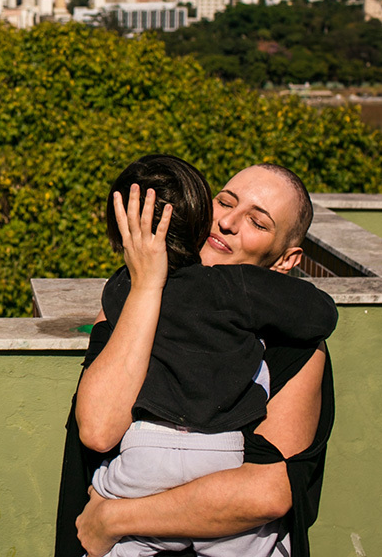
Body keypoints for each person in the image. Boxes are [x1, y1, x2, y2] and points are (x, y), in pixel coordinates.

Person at [53, 163, 334, 557]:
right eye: (224, 202)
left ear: (286, 261)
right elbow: (99, 428)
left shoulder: (297, 346)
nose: (228, 223)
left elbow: (265, 494)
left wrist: (114, 518)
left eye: (258, 222)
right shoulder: (132, 297)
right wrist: (147, 288)